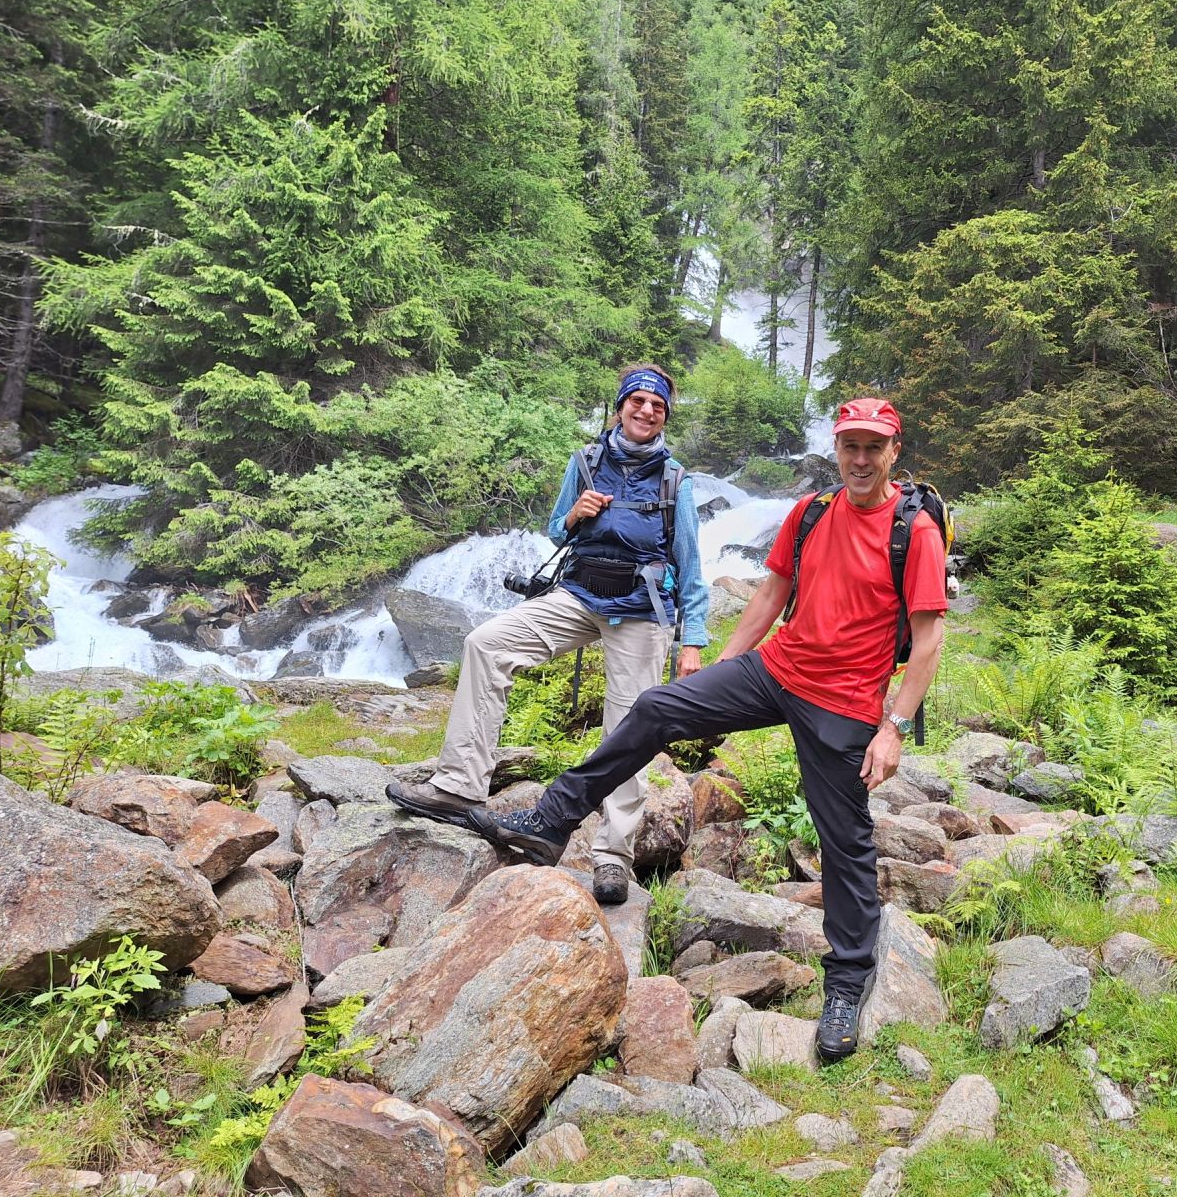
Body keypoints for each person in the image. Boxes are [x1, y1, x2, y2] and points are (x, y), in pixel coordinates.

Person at [434, 397, 947, 1063]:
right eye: (850, 445)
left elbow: (930, 638)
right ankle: (553, 821)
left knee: (842, 840)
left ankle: (847, 984)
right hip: (777, 668)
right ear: (837, 446)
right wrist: (726, 674)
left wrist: (894, 727)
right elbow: (771, 593)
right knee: (659, 707)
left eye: (872, 447)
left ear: (893, 453)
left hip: (845, 702)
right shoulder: (813, 510)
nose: (859, 458)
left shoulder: (915, 531)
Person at [386, 364, 709, 906]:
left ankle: (613, 857)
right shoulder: (585, 462)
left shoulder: (677, 480)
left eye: (658, 407)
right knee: (485, 644)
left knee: (628, 726)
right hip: (580, 595)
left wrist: (692, 640)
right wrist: (576, 515)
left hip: (641, 609)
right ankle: (458, 787)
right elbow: (557, 527)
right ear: (621, 406)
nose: (647, 412)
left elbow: (691, 565)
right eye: (639, 402)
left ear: (665, 417)